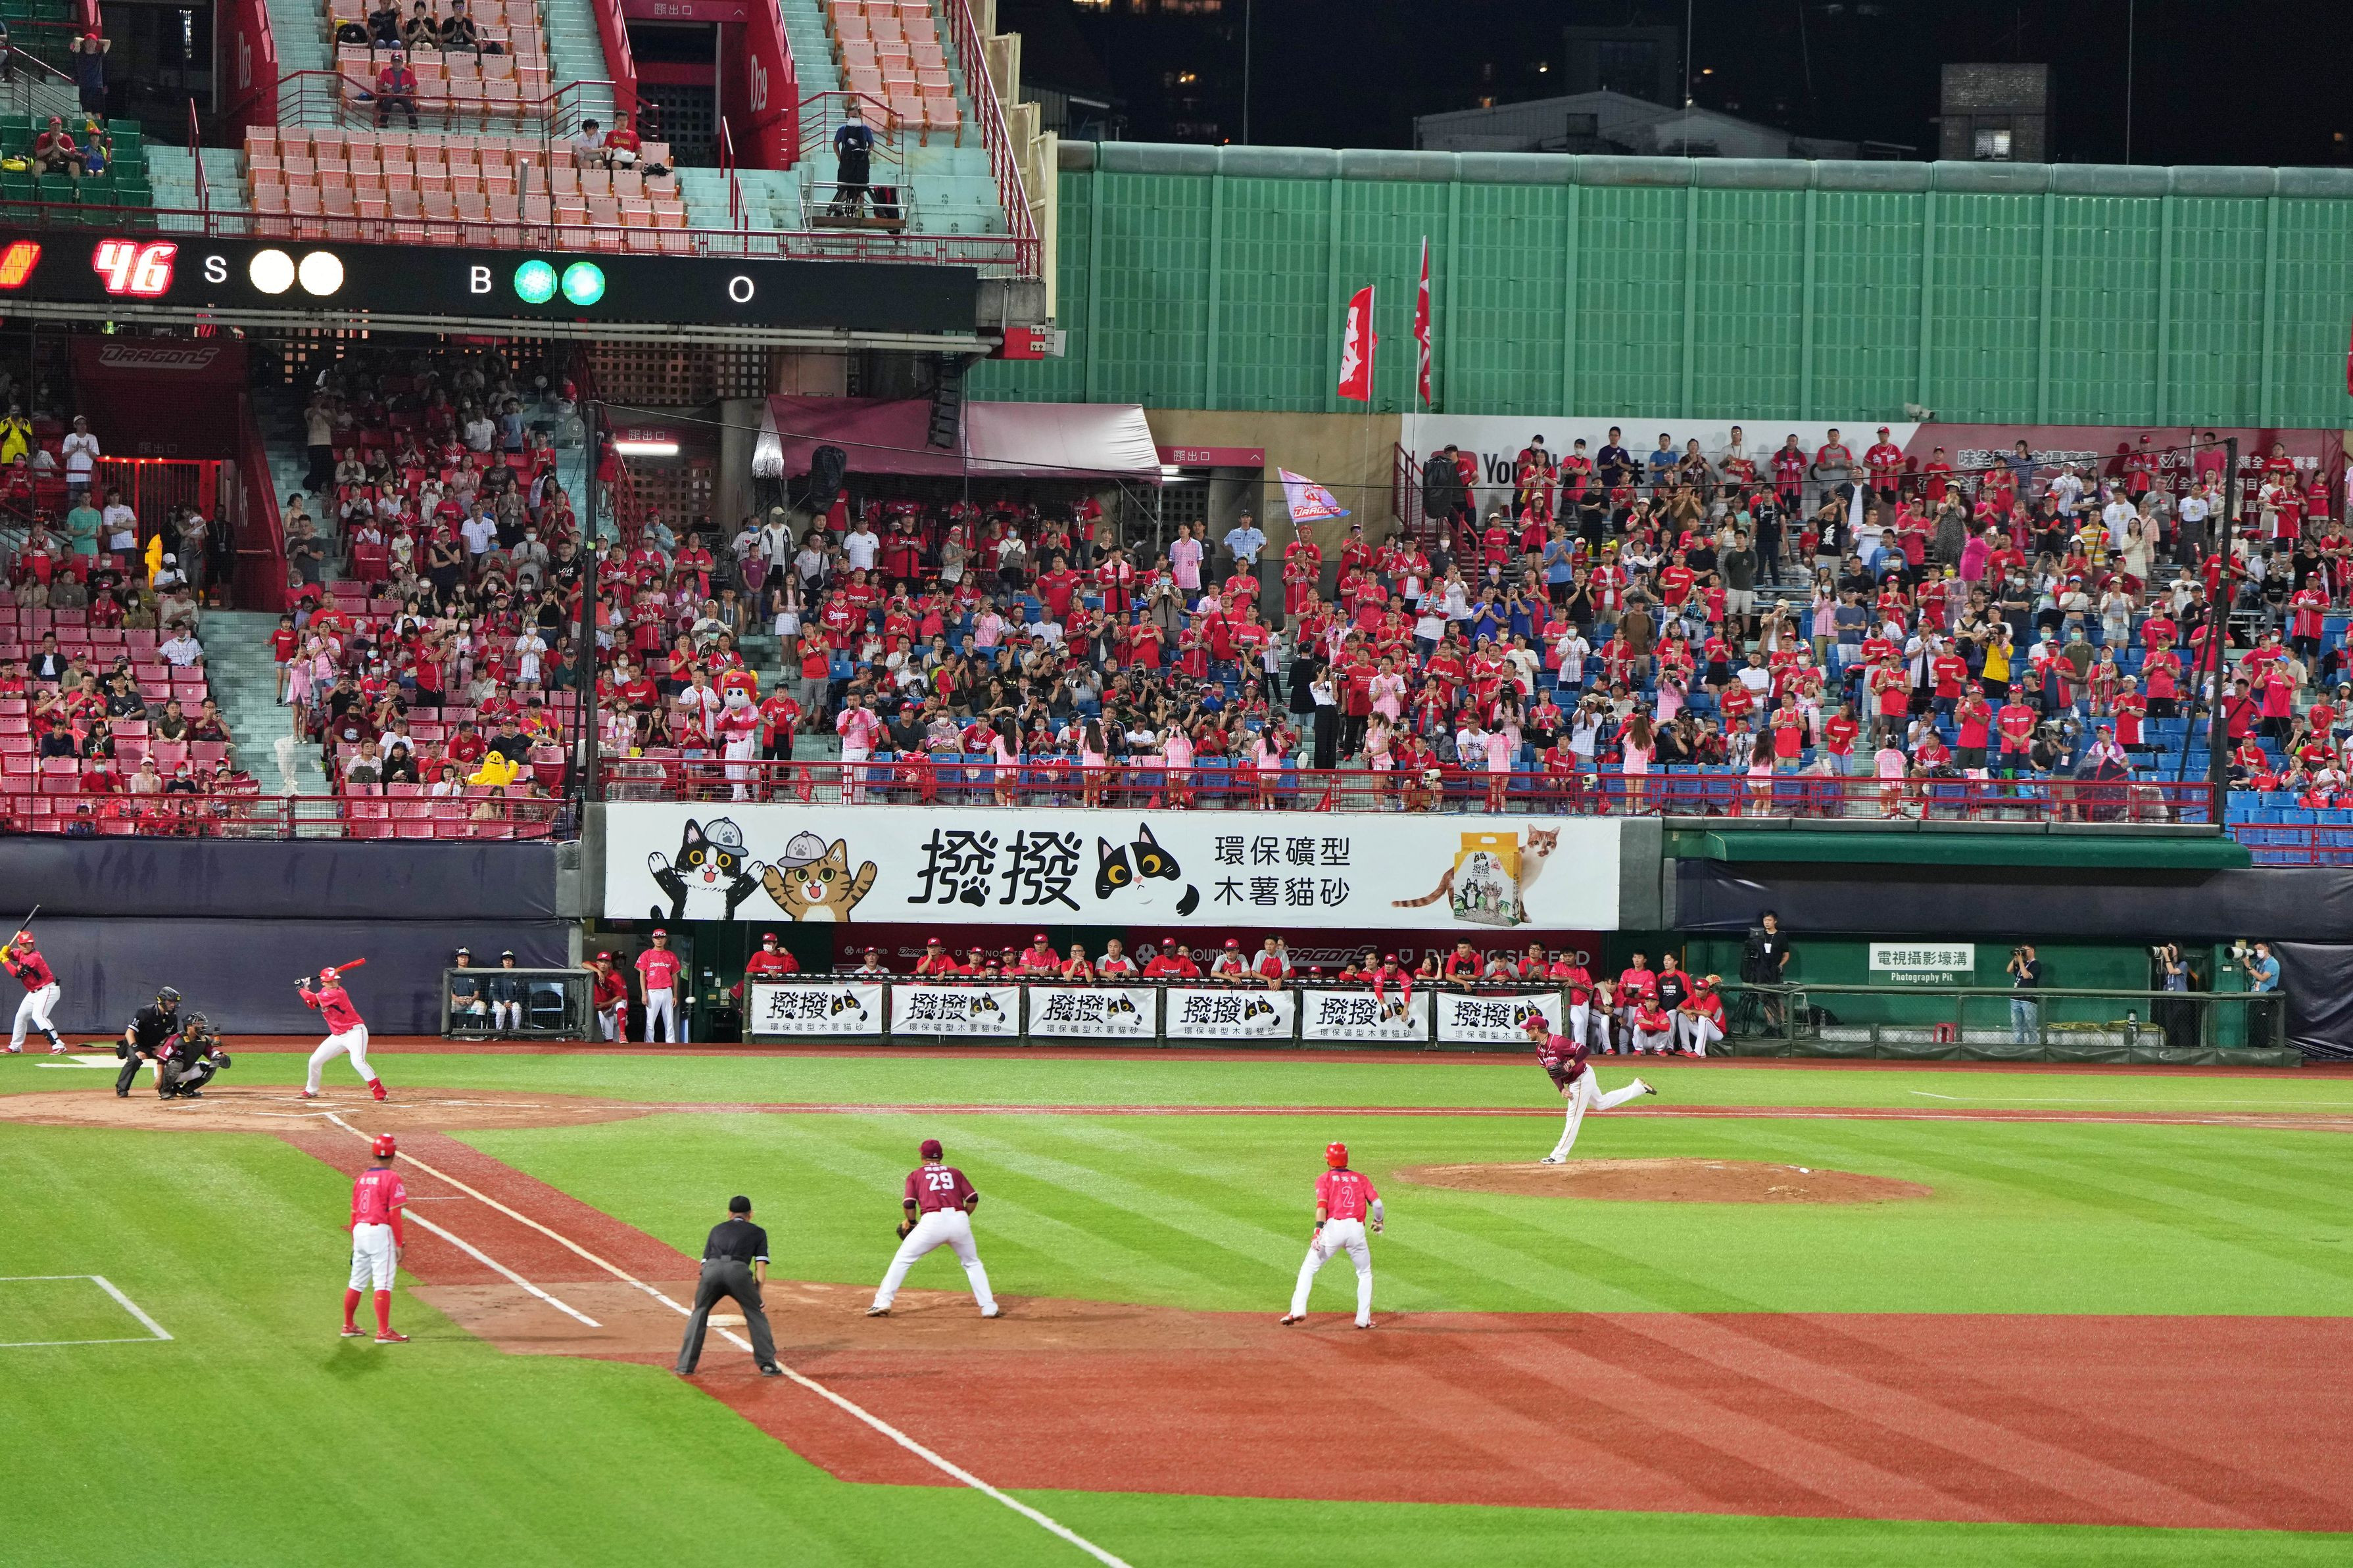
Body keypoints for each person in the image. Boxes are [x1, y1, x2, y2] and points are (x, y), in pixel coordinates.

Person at [867, 1137, 1000, 1319]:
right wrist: (962, 1216)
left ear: (922, 1157)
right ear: (941, 1156)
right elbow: (973, 1198)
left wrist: (912, 1222)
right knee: (972, 1263)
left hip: (932, 1223)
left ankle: (882, 1303)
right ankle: (989, 1307)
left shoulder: (916, 1175)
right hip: (959, 1220)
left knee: (903, 1259)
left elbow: (909, 1203)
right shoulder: (955, 1172)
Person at [674, 1195, 783, 1377]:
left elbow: (704, 1266)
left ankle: (685, 1366)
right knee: (755, 1314)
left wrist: (699, 1297)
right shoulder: (758, 1232)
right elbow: (760, 1267)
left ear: (729, 1213)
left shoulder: (716, 1230)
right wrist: (758, 1295)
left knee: (699, 1312)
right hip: (738, 1274)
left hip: (711, 1272)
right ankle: (768, 1365)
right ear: (751, 1214)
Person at [1524, 1012, 1655, 1162]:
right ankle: (1638, 1088)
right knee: (1601, 1103)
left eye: (1528, 1029)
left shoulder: (1558, 1043)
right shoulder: (1540, 1050)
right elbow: (1552, 1071)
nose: (1526, 1032)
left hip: (1581, 1079)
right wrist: (1561, 1089)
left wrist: (1570, 1063)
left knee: (1573, 1118)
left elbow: (1583, 1050)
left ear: (1536, 1029)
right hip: (1579, 1079)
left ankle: (1558, 1156)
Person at [1279, 1141, 1382, 1329]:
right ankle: (1363, 1319)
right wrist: (1379, 1221)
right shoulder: (1361, 1178)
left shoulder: (1324, 1179)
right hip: (1356, 1230)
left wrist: (1317, 1232)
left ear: (1328, 1160)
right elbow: (1378, 1205)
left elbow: (1322, 1207)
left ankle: (1298, 1310)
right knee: (1364, 1273)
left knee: (1309, 1269)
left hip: (1334, 1229)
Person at [343, 1133, 410, 1344]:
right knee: (383, 1282)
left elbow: (354, 1214)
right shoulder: (392, 1178)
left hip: (360, 1232)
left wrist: (355, 1243)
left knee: (356, 1281)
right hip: (380, 1233)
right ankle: (383, 1332)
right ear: (394, 1155)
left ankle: (348, 1325)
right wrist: (399, 1243)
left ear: (373, 1154)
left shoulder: (361, 1179)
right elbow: (394, 1214)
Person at [299, 964, 385, 1101]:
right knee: (315, 1061)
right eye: (330, 981)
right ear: (323, 982)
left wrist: (301, 989)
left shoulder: (338, 993)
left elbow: (313, 999)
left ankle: (380, 1092)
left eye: (335, 980)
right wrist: (306, 989)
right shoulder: (323, 993)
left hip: (354, 1032)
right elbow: (312, 1004)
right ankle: (311, 1090)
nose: (334, 983)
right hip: (337, 1036)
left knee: (357, 1061)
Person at [2, 926, 65, 1055]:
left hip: (47, 990)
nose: (26, 946)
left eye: (28, 943)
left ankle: (59, 1045)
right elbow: (14, 954)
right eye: (23, 944)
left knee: (38, 1016)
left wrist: (5, 960)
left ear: (33, 944)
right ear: (19, 945)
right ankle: (15, 1046)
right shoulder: (20, 953)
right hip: (34, 992)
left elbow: (17, 974)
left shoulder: (34, 958)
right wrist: (7, 952)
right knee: (21, 1016)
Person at [114, 985, 183, 1098]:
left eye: (175, 1002)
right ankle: (122, 1088)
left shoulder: (172, 1017)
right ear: (161, 1000)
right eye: (170, 1002)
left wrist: (163, 1048)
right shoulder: (145, 1012)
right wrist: (137, 1050)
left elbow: (172, 1038)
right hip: (136, 1044)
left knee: (176, 1058)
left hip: (155, 1046)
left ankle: (170, 1087)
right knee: (135, 1059)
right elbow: (129, 1033)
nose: (173, 1005)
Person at [155, 1010, 231, 1099]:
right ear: (189, 1027)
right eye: (198, 1024)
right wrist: (159, 1077)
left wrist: (220, 1055)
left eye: (201, 1024)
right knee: (177, 1063)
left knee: (210, 1067)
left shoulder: (203, 1040)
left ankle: (186, 1091)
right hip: (165, 1071)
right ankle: (164, 1091)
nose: (201, 1026)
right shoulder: (176, 1039)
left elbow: (211, 1052)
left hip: (183, 1070)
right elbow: (161, 1059)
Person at [1741, 911, 1793, 1031]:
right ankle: (1770, 1026)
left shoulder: (1781, 936)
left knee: (1778, 1000)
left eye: (1769, 920)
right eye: (1765, 920)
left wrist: (1780, 965)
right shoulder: (1759, 936)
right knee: (1766, 1001)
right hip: (1761, 972)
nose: (1767, 923)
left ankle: (1780, 1027)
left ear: (1775, 921)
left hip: (1775, 973)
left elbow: (1786, 954)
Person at [636, 928, 685, 1043]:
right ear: (653, 939)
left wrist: (675, 995)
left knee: (669, 1021)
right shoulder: (647, 954)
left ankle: (671, 1044)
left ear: (666, 939)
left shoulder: (671, 955)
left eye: (662, 937)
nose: (659, 940)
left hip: (667, 990)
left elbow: (675, 976)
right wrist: (644, 994)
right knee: (650, 1021)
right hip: (652, 991)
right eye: (657, 937)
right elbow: (642, 974)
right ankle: (649, 1044)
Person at [831, 97, 874, 213]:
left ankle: (860, 210)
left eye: (856, 115)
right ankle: (839, 209)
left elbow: (871, 144)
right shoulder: (842, 129)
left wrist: (867, 153)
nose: (854, 117)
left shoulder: (865, 129)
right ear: (848, 115)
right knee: (843, 186)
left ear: (859, 115)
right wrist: (839, 156)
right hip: (847, 162)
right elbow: (835, 143)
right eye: (852, 115)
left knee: (861, 188)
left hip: (861, 162)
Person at [2239, 939, 2281, 1049]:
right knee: (2252, 1025)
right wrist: (2247, 963)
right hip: (2255, 998)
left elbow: (2262, 978)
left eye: (2260, 949)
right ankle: (2252, 1048)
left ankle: (2262, 1049)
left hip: (2264, 1000)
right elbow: (2252, 974)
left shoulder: (2273, 963)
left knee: (2262, 1026)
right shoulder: (2259, 962)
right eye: (2256, 949)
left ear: (2266, 949)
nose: (2258, 951)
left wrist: (2248, 966)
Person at [585, 951, 629, 1042]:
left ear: (610, 964)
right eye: (601, 962)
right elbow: (584, 964)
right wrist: (598, 971)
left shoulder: (615, 977)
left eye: (606, 962)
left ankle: (623, 1034)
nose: (603, 964)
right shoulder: (596, 969)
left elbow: (619, 997)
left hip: (610, 1005)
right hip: (602, 1009)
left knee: (620, 1004)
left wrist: (605, 1004)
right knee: (608, 1038)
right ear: (597, 963)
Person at [2006, 943, 2044, 1045]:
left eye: (2025, 951)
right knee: (2017, 1026)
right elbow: (2009, 970)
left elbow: (2026, 975)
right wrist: (2016, 957)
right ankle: (2019, 1047)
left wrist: (2020, 962)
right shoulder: (2021, 962)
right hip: (2015, 998)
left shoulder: (2036, 964)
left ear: (2032, 951)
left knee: (2030, 1026)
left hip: (2028, 1000)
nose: (2023, 953)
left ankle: (2033, 1048)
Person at [374, 49, 418, 130]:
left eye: (398, 62)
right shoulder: (385, 71)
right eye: (395, 61)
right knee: (387, 103)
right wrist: (387, 89)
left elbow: (415, 87)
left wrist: (406, 90)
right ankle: (383, 124)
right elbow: (378, 85)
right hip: (391, 94)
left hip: (403, 95)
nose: (397, 64)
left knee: (409, 104)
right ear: (391, 62)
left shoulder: (408, 72)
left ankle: (414, 125)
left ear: (402, 63)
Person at [487, 949, 527, 1034]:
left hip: (513, 1001)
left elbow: (519, 992)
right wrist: (503, 1003)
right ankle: (499, 1033)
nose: (508, 962)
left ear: (513, 962)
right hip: (499, 1001)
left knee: (517, 1009)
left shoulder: (518, 975)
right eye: (505, 960)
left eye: (510, 960)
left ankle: (515, 1033)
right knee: (501, 1010)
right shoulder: (496, 974)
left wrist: (510, 1002)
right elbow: (494, 993)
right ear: (502, 962)